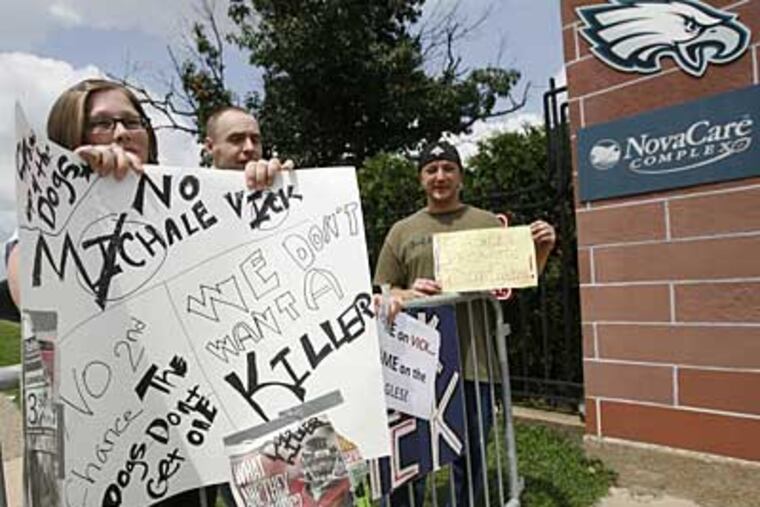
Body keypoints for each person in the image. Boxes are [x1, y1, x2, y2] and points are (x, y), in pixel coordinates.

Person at [373, 140, 556, 507]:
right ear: (421, 179)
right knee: (411, 455)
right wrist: (406, 293)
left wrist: (543, 248)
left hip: (476, 364)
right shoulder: (401, 231)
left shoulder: (486, 223)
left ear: (460, 176)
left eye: (448, 168)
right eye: (431, 169)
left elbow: (515, 279)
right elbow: (383, 290)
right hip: (415, 365)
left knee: (471, 456)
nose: (440, 176)